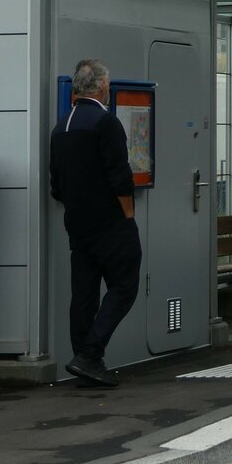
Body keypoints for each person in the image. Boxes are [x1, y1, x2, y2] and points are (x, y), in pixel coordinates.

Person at [50, 58, 142, 387]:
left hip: (77, 223)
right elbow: (120, 175)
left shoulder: (61, 128)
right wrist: (128, 215)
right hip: (111, 222)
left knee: (84, 295)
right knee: (125, 286)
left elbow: (56, 186)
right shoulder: (106, 122)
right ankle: (90, 354)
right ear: (102, 86)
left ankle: (85, 362)